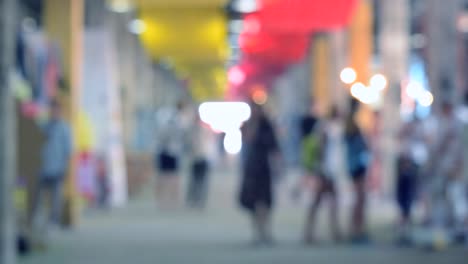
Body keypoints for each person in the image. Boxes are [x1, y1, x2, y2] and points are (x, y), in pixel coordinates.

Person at [239, 102, 280, 246]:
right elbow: (245, 139)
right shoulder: (248, 125)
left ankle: (265, 231)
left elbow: (274, 146)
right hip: (251, 167)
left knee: (264, 202)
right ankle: (257, 232)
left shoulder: (266, 125)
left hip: (264, 167)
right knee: (253, 202)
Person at [303, 107, 343, 244]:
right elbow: (321, 150)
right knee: (323, 201)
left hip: (327, 170)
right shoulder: (326, 128)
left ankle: (316, 232)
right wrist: (321, 170)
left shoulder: (327, 127)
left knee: (325, 201)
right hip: (325, 171)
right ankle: (317, 232)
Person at [32, 100, 73, 228]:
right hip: (43, 167)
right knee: (38, 195)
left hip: (57, 167)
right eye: (52, 109)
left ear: (60, 111)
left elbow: (68, 151)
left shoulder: (65, 128)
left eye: (57, 110)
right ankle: (36, 218)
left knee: (56, 197)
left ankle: (54, 221)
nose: (54, 112)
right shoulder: (44, 126)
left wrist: (65, 168)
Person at [396, 115, 428, 244]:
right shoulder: (404, 146)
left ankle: (406, 229)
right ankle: (403, 229)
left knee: (409, 201)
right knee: (404, 203)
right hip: (404, 179)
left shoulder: (414, 147)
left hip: (409, 175)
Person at [154, 102, 187, 209]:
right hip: (171, 151)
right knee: (172, 176)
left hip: (165, 151)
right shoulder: (177, 120)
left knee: (164, 176)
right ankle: (172, 199)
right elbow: (181, 136)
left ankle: (163, 200)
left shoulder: (165, 117)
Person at [344, 113, 371, 243]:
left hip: (355, 167)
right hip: (357, 168)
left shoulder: (349, 131)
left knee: (359, 200)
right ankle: (356, 230)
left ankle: (356, 229)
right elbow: (363, 147)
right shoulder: (353, 132)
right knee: (359, 200)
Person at [186, 113, 212, 209]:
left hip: (203, 158)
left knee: (201, 181)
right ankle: (194, 199)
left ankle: (200, 200)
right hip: (195, 159)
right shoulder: (191, 131)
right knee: (194, 181)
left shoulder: (204, 130)